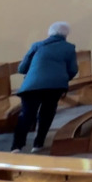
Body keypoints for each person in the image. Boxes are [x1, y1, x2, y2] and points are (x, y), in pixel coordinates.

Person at [12, 22, 78, 152]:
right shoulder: (69, 48)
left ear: (50, 32)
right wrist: (63, 79)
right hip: (55, 87)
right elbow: (73, 69)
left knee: (27, 115)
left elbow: (22, 68)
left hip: (32, 86)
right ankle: (38, 144)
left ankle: (16, 146)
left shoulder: (37, 45)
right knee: (47, 113)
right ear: (66, 34)